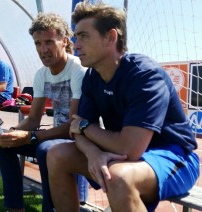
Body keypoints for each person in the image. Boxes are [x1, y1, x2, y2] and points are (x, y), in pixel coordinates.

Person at [46, 2, 200, 212]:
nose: (76, 44)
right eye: (76, 37)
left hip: (174, 156)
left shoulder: (145, 75)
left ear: (110, 37)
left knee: (117, 176)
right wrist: (93, 153)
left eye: (83, 36)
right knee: (57, 155)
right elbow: (76, 128)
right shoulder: (92, 76)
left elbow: (129, 149)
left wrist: (86, 128)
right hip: (121, 154)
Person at [0, 13, 88, 212]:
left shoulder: (78, 70)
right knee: (3, 144)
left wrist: (32, 136)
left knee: (45, 149)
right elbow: (34, 119)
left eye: (49, 42)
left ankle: (51, 208)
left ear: (64, 41)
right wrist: (13, 132)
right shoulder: (41, 75)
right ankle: (15, 208)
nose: (43, 49)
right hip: (56, 136)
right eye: (38, 43)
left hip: (82, 138)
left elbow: (73, 127)